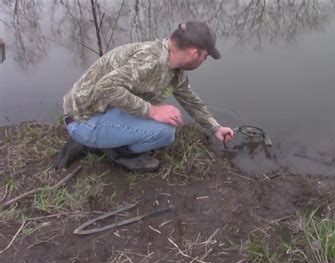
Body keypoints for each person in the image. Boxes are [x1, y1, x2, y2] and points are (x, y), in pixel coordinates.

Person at [55, 21, 234, 172]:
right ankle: (117, 154)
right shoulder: (151, 62)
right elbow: (106, 87)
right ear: (195, 53)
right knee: (165, 132)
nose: (203, 61)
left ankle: (103, 137)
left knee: (163, 117)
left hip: (98, 110)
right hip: (83, 120)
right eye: (205, 56)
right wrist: (152, 111)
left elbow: (190, 100)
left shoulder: (172, 66)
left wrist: (215, 128)